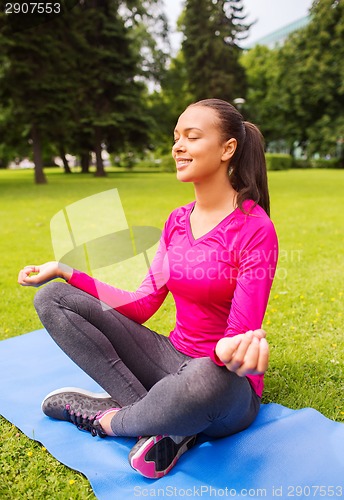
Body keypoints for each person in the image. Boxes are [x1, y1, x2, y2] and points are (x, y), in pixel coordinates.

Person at [18, 98, 278, 479]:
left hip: (222, 384)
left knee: (206, 379)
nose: (178, 147)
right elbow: (142, 304)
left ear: (228, 149)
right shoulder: (177, 221)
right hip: (168, 358)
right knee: (53, 298)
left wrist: (229, 353)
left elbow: (239, 334)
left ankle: (109, 420)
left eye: (191, 137)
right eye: (176, 137)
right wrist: (65, 271)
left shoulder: (255, 229)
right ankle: (165, 423)